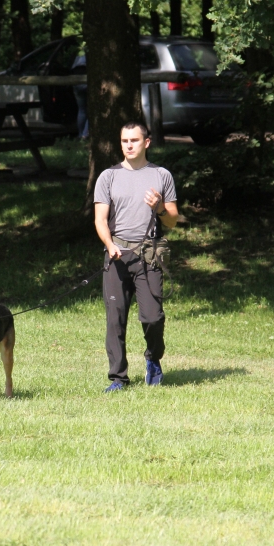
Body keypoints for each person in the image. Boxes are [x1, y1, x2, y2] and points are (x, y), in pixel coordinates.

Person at [94, 122, 179, 392]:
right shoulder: (108, 176)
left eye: (134, 140)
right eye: (124, 141)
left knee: (153, 317)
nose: (129, 145)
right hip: (117, 254)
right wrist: (109, 244)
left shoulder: (161, 175)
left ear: (147, 142)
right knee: (115, 319)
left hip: (149, 255)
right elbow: (100, 219)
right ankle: (118, 378)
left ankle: (153, 359)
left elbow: (173, 221)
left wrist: (160, 207)